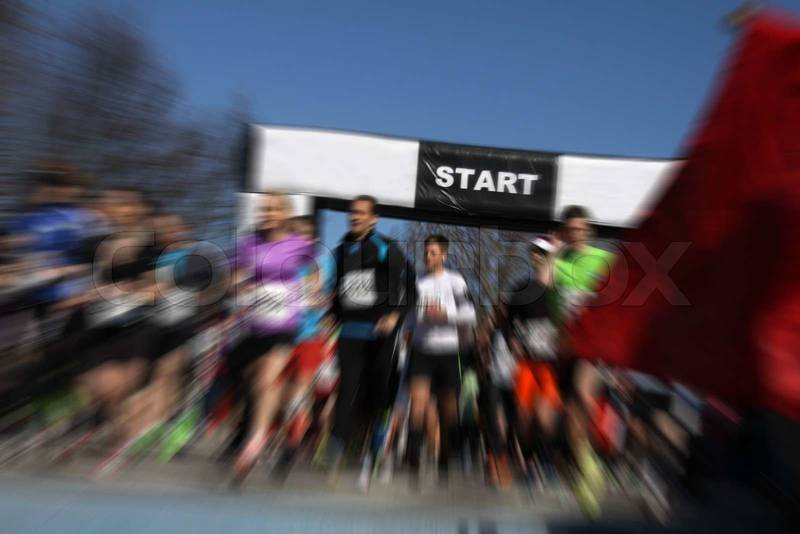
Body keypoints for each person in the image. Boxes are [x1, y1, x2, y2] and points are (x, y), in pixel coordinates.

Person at [228, 192, 314, 481]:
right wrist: (240, 285)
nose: (268, 213)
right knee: (253, 382)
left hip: (285, 323)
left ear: (285, 213)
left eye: (274, 209)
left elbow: (313, 271)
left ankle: (255, 442)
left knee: (266, 380)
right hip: (254, 324)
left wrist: (309, 289)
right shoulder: (248, 243)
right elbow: (234, 275)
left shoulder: (298, 244)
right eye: (264, 209)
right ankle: (280, 416)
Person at [327, 195, 415, 477]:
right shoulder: (340, 251)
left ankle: (377, 433)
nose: (355, 217)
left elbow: (411, 285)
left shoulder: (385, 247)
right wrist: (331, 315)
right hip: (350, 331)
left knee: (375, 390)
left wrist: (396, 315)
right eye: (352, 212)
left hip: (380, 332)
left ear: (374, 218)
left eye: (362, 213)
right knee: (347, 388)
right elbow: (338, 291)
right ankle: (337, 445)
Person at [550, 205, 614, 519]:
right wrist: (553, 253)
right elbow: (546, 291)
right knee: (572, 415)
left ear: (588, 230)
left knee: (582, 391)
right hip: (567, 347)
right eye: (572, 229)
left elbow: (619, 302)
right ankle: (587, 469)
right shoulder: (559, 262)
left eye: (581, 228)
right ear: (565, 232)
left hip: (596, 345)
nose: (577, 233)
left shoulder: (604, 260)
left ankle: (600, 450)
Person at [405, 234, 476, 487]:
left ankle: (446, 455)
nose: (428, 256)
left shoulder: (455, 281)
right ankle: (413, 456)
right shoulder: (417, 281)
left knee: (449, 407)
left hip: (447, 351)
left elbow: (470, 314)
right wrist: (407, 328)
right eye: (426, 252)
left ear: (444, 255)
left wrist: (445, 313)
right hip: (421, 349)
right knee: (418, 402)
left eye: (433, 253)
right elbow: (410, 317)